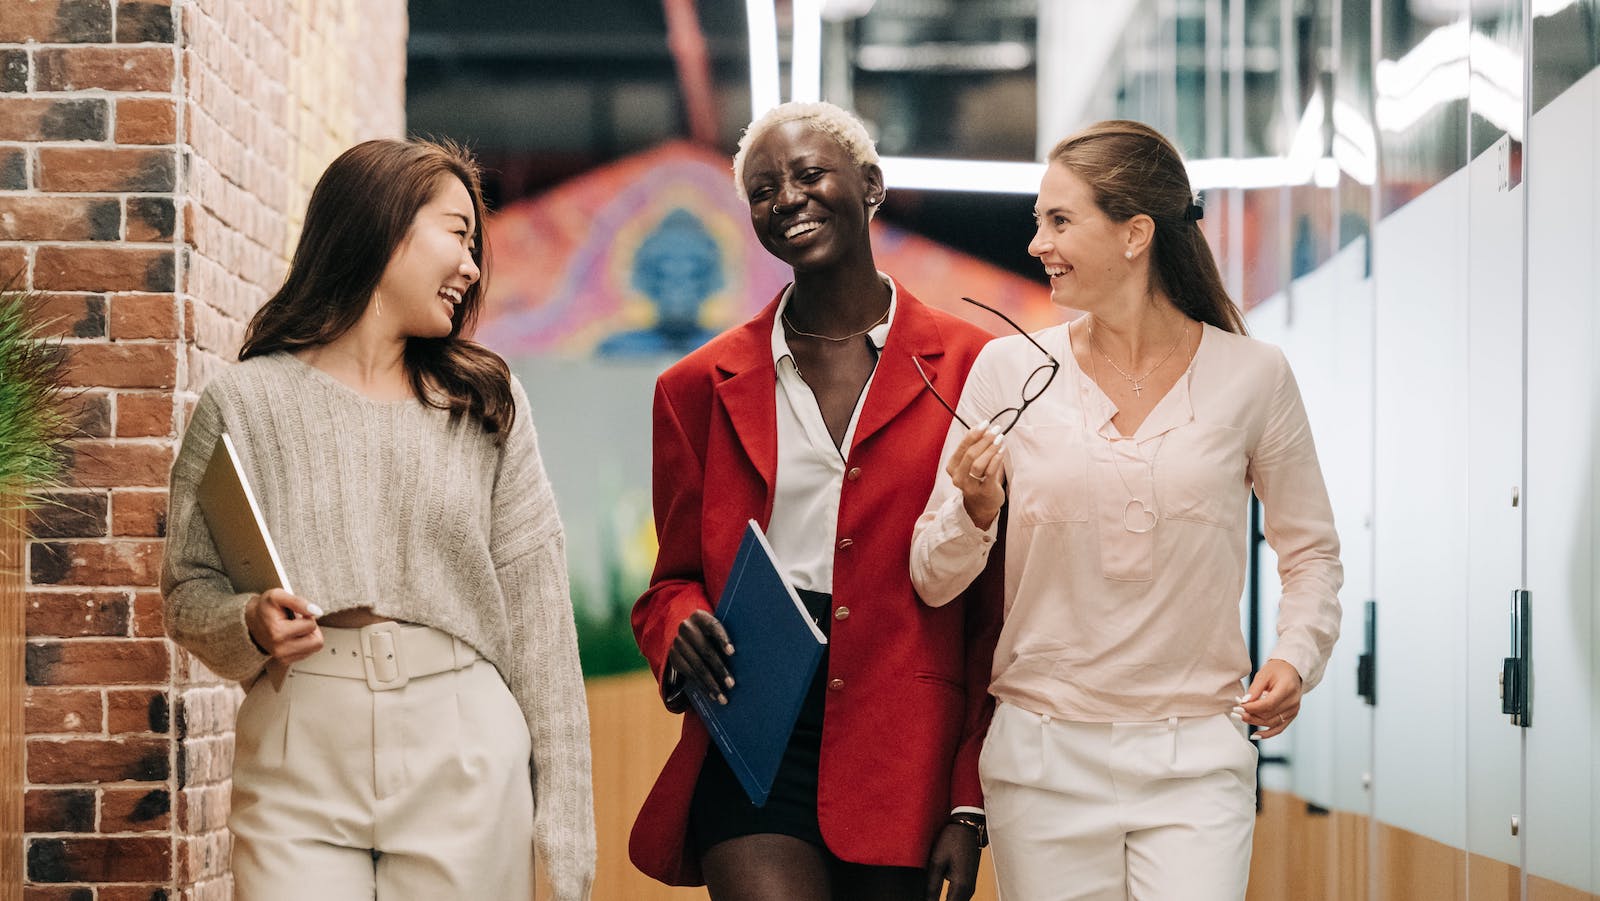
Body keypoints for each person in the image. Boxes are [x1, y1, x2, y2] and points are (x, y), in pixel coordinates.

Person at [909, 120, 1342, 900]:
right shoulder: (1009, 370)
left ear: (1136, 233)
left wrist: (1296, 654)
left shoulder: (1254, 374)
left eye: (1060, 220)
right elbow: (933, 578)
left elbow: (1309, 550)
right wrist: (973, 509)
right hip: (1041, 764)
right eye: (1038, 220)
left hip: (1197, 761)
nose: (1038, 241)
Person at [162, 138, 596, 901]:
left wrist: (566, 838)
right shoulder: (245, 402)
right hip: (299, 742)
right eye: (457, 234)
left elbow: (542, 627)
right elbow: (186, 591)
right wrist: (250, 621)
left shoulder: (486, 406)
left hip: (462, 740)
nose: (472, 266)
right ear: (382, 224)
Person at [628, 101, 1005, 901]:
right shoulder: (695, 387)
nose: (786, 199)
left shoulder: (976, 367)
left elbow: (992, 614)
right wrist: (678, 625)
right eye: (763, 190)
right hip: (754, 722)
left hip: (902, 739)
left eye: (808, 174)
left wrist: (968, 803)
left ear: (869, 185)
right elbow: (671, 580)